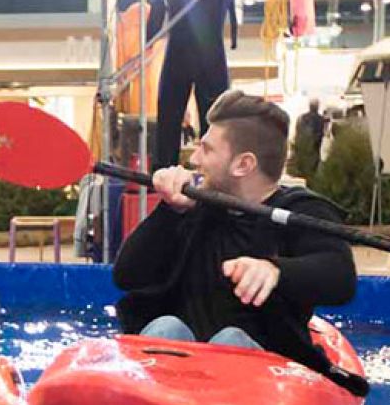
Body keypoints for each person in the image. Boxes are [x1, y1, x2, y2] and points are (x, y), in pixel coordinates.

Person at [113, 90, 357, 378]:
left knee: (230, 340)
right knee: (166, 328)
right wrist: (168, 212)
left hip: (256, 375)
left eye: (207, 149)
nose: (194, 159)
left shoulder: (298, 212)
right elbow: (126, 276)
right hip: (175, 367)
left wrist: (276, 271)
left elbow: (340, 277)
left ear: (244, 164)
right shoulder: (194, 206)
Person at [293, 98, 328, 179]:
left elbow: (298, 132)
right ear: (317, 107)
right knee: (313, 171)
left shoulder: (302, 118)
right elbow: (321, 134)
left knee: (303, 173)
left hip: (303, 149)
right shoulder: (321, 119)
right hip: (315, 149)